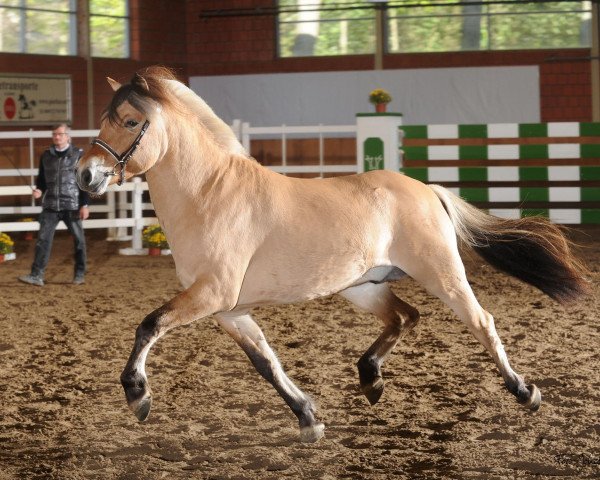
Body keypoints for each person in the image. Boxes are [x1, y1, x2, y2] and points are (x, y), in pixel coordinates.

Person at [18, 124, 89, 286]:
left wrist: (84, 204)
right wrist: (39, 190)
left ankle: (79, 274)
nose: (57, 137)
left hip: (72, 205)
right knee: (42, 240)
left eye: (60, 134)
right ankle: (36, 275)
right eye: (55, 134)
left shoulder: (78, 155)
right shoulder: (46, 155)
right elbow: (41, 179)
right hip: (50, 205)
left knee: (79, 241)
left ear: (68, 136)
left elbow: (83, 182)